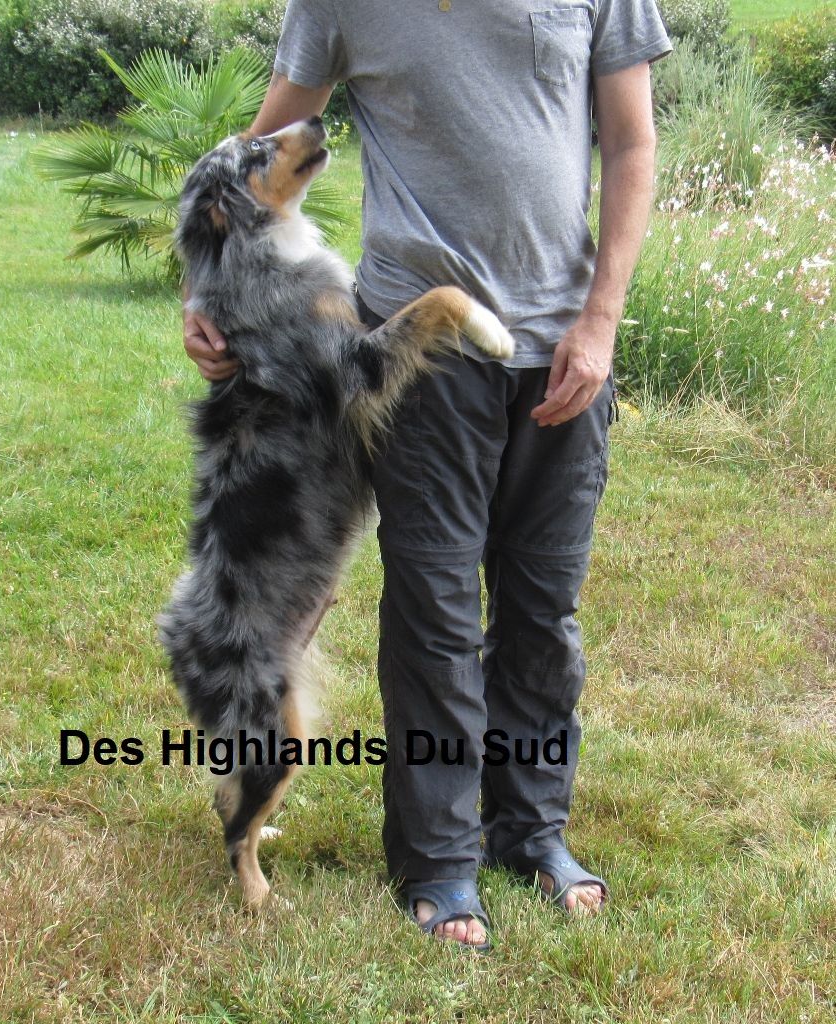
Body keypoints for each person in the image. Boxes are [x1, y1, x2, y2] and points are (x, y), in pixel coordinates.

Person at [183, 0, 671, 949]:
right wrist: (206, 291)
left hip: (566, 348)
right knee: (433, 610)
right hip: (420, 353)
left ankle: (531, 831)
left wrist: (602, 321)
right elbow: (256, 146)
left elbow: (631, 143)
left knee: (542, 612)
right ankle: (439, 858)